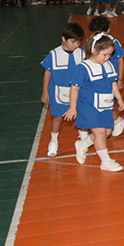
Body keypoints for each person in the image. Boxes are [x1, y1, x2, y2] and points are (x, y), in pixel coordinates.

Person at [65, 35, 124, 171]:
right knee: (100, 133)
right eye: (105, 55)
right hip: (89, 106)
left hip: (105, 105)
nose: (107, 58)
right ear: (94, 50)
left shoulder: (108, 65)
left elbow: (113, 83)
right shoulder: (83, 67)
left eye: (110, 55)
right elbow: (74, 88)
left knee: (107, 131)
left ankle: (83, 145)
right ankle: (105, 161)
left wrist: (119, 98)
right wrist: (72, 108)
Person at [40, 23, 86, 157]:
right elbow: (47, 74)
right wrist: (45, 91)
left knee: (81, 114)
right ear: (64, 39)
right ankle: (54, 141)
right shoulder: (54, 54)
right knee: (58, 117)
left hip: (78, 91)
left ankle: (83, 136)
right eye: (73, 42)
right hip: (58, 92)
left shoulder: (81, 54)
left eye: (78, 42)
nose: (76, 45)